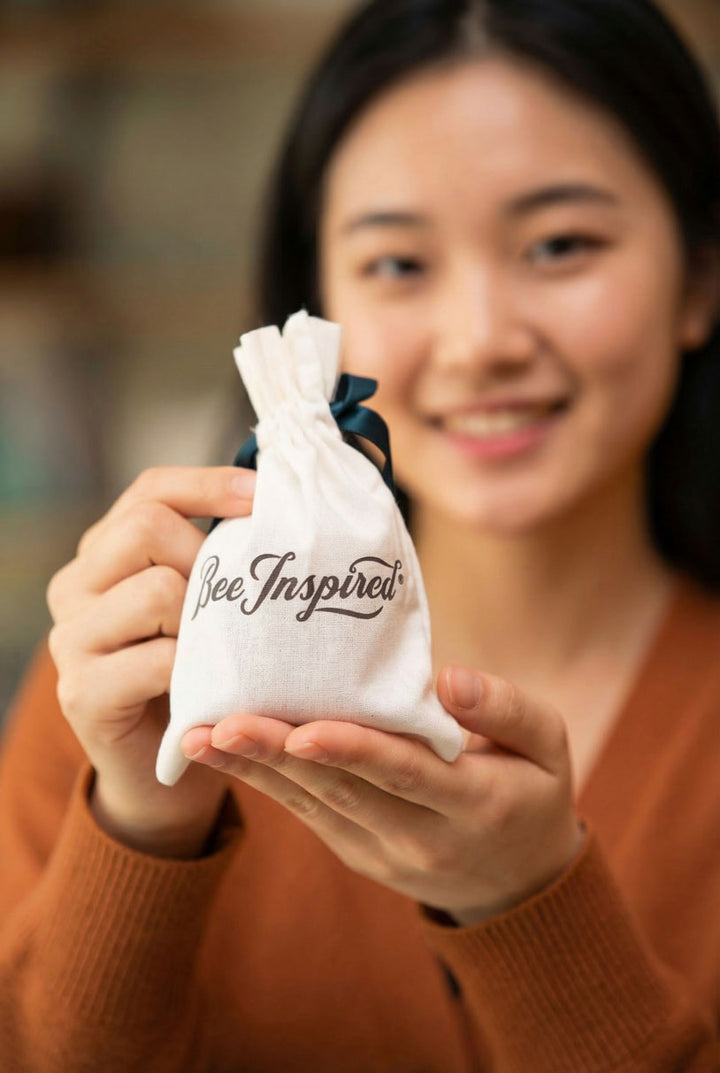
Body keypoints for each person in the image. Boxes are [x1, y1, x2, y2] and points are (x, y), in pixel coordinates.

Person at [1, 0, 719, 1068]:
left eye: (561, 244)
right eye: (397, 263)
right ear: (316, 305)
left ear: (700, 278)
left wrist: (525, 904)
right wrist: (143, 822)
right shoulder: (142, 682)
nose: (481, 342)